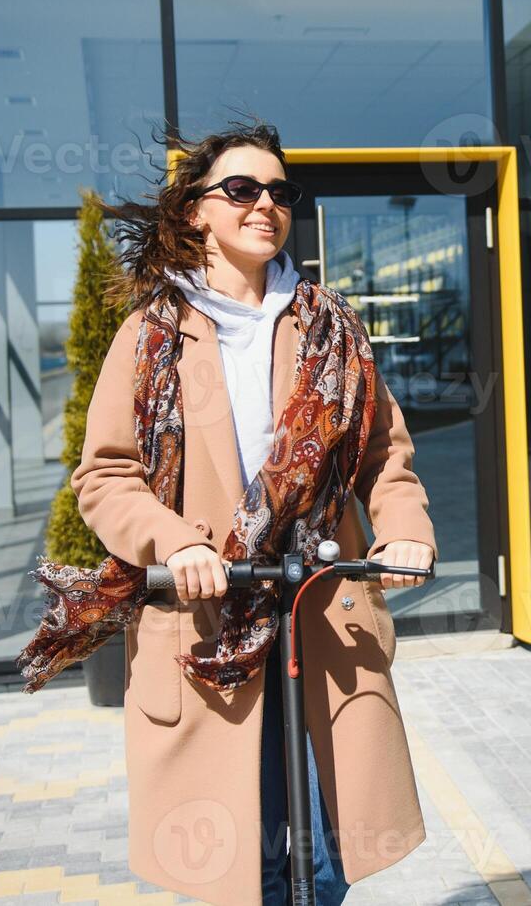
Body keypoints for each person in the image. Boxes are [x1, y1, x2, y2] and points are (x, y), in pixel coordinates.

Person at [75, 120, 437, 906]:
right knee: (245, 870)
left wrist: (404, 529)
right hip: (207, 628)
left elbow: (383, 457)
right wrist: (173, 543)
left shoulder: (331, 328)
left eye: (281, 191)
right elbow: (106, 477)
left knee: (328, 859)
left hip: (320, 618)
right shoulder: (151, 335)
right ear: (197, 210)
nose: (265, 203)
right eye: (241, 188)